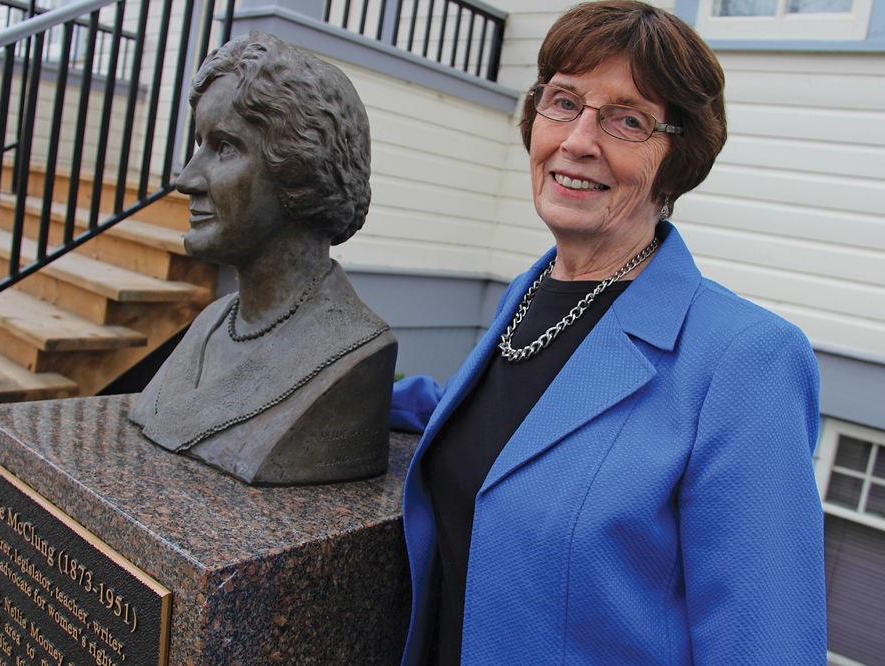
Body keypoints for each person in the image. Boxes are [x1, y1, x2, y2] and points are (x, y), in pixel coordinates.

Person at [391, 2, 826, 664]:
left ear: (677, 161)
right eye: (563, 101)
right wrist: (350, 383)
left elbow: (765, 644)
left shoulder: (745, 359)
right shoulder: (531, 291)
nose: (578, 140)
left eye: (628, 120)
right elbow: (506, 424)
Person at [130, 33, 397, 486]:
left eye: (225, 147)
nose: (186, 179)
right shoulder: (212, 322)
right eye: (199, 144)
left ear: (301, 170)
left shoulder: (353, 353)